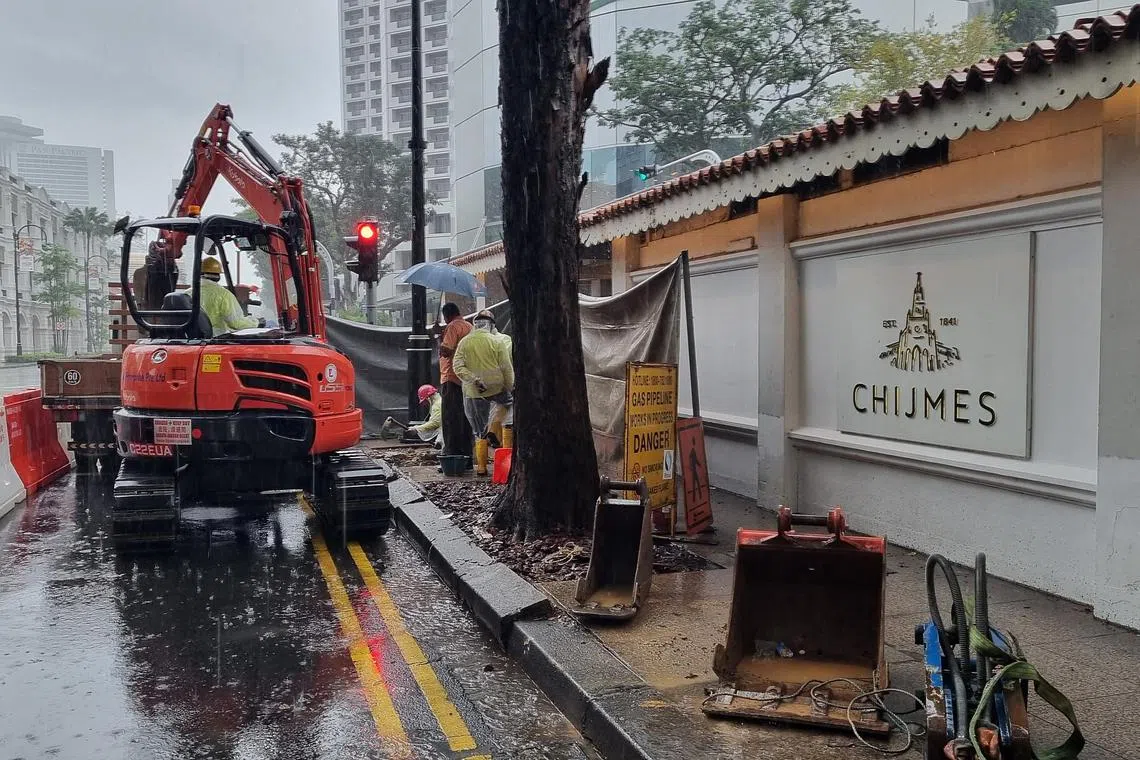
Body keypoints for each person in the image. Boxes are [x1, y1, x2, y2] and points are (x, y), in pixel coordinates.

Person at [453, 309, 514, 476]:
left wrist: (473, 379)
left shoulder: (465, 342)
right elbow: (507, 368)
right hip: (498, 388)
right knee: (509, 413)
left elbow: (457, 366)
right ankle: (505, 460)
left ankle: (481, 468)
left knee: (478, 430)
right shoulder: (499, 341)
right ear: (491, 325)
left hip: (474, 392)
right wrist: (509, 387)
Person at [437, 302, 474, 466]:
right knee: (466, 419)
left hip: (451, 378)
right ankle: (467, 456)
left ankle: (452, 456)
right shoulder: (469, 326)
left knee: (450, 419)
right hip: (466, 379)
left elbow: (446, 350)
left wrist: (438, 337)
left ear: (446, 316)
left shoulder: (452, 327)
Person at [194, 256, 260, 335]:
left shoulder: (187, 293)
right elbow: (236, 324)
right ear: (218, 276)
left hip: (192, 339)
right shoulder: (223, 294)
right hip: (215, 340)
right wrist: (255, 322)